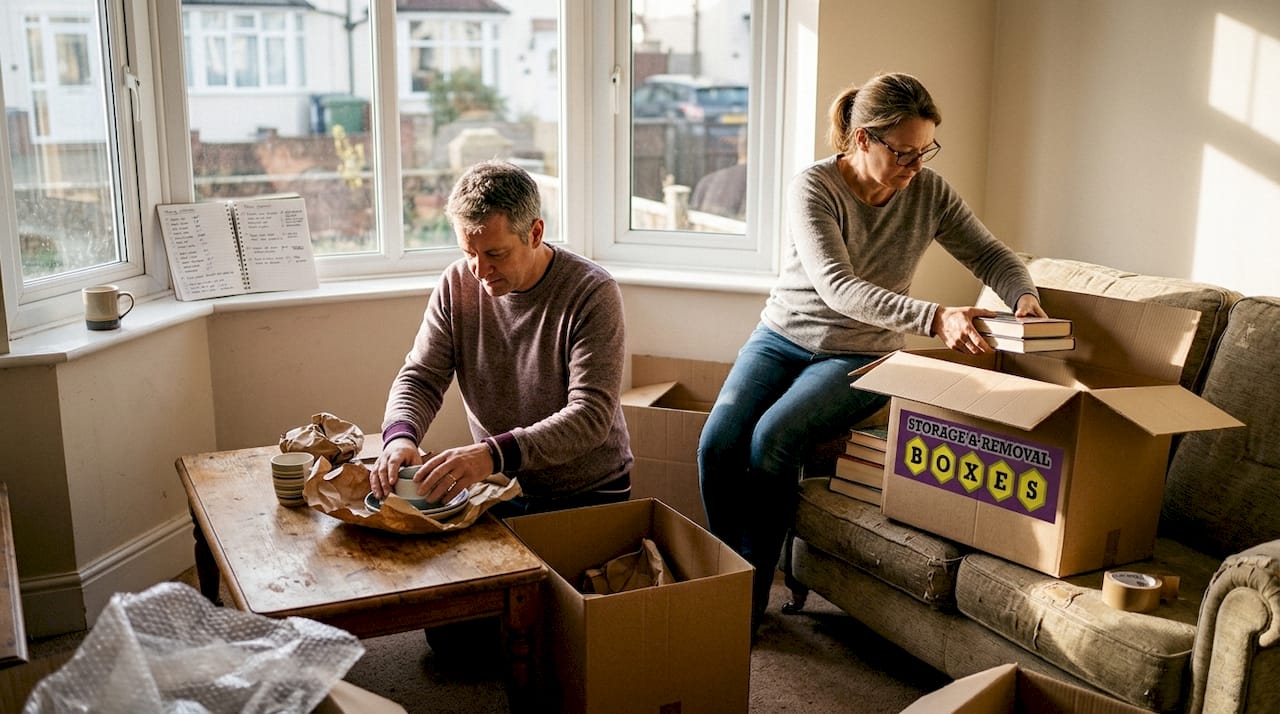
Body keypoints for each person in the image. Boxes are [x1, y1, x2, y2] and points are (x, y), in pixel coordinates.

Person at [697, 72, 1047, 634]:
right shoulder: (814, 187)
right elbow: (838, 287)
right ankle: (726, 575)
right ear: (863, 139)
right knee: (717, 444)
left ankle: (744, 607)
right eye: (904, 152)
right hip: (781, 337)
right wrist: (935, 317)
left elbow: (991, 256)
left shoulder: (929, 193)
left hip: (860, 355)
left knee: (772, 438)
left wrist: (1024, 297)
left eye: (925, 150)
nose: (916, 165)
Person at [370, 159, 633, 519]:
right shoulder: (456, 284)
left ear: (535, 233)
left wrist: (491, 454)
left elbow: (590, 416)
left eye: (495, 253)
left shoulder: (592, 292)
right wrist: (401, 435)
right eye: (469, 253)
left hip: (588, 491)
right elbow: (421, 378)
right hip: (499, 487)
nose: (479, 270)